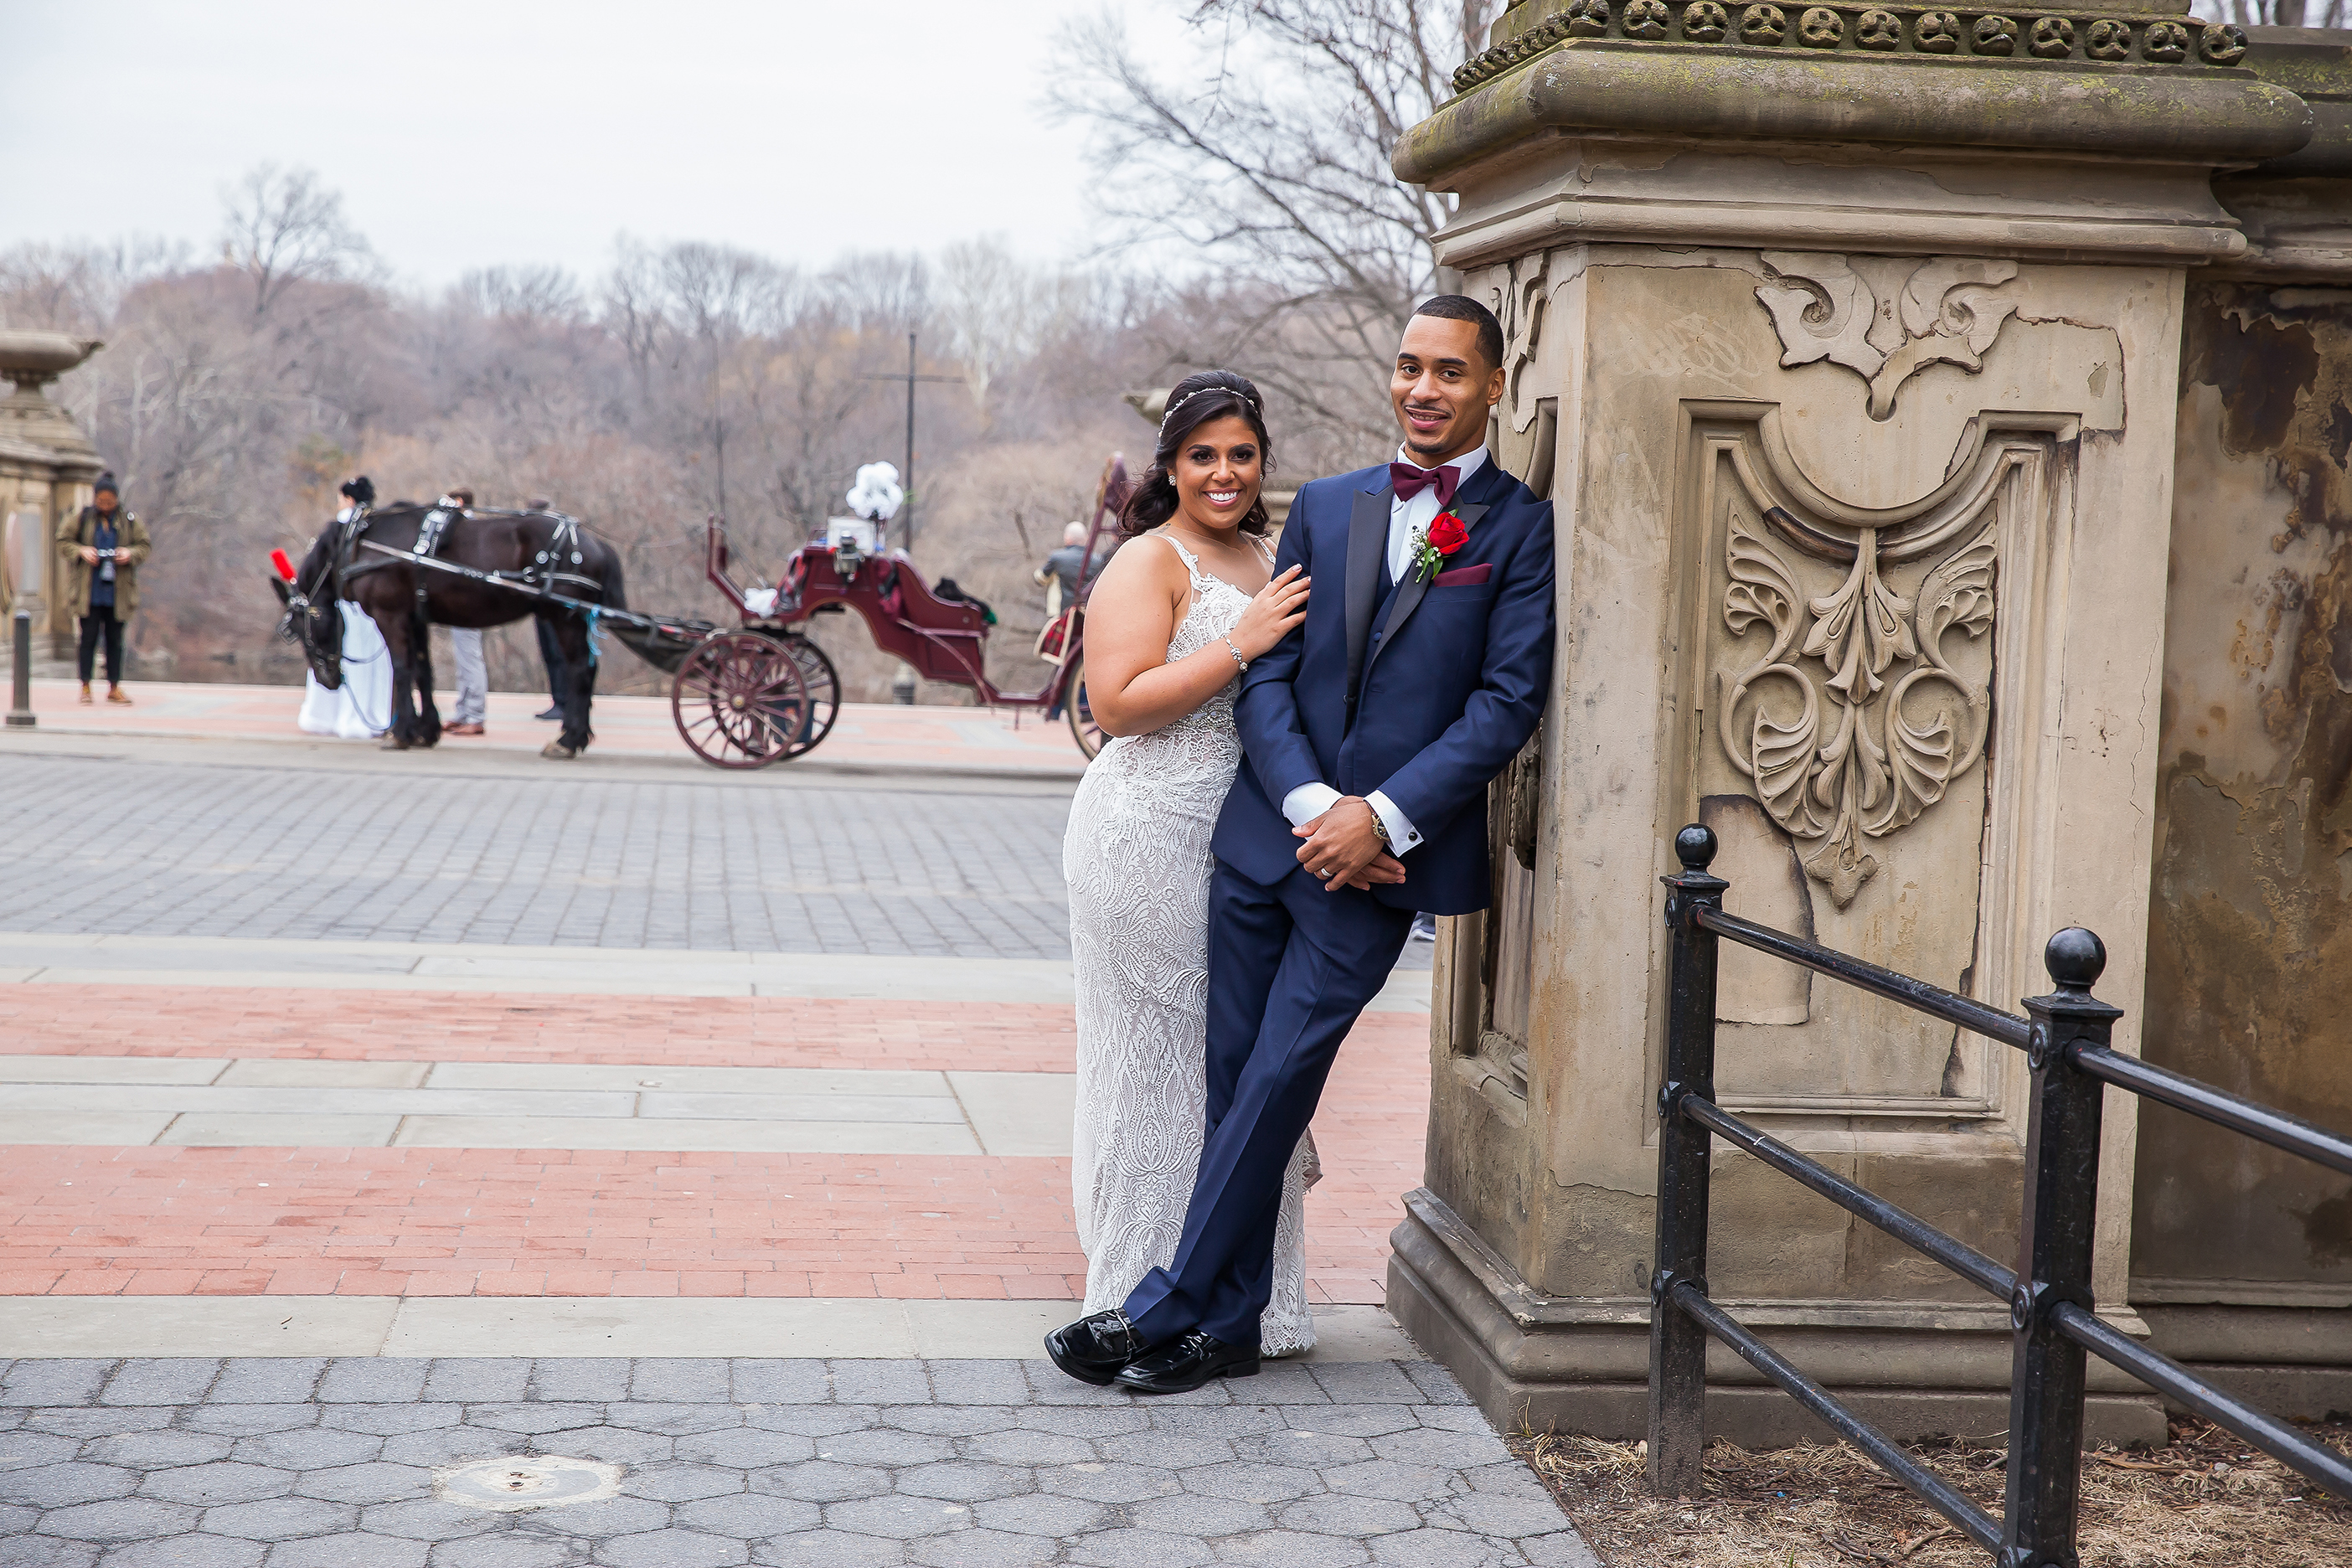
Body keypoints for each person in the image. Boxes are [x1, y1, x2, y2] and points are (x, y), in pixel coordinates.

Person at [1048, 296, 1556, 1395]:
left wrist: (1379, 817)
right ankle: (1229, 1328)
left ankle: (1163, 1304)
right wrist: (1313, 803)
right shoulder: (1326, 507)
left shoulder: (1519, 528)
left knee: (1280, 1075)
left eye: (1450, 372)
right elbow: (1267, 673)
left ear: (1493, 386)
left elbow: (1507, 702)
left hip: (1380, 866)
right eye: (1410, 367)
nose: (1423, 388)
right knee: (1233, 1082)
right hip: (1257, 843)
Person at [1058, 371, 1320, 1359]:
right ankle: (1138, 1293)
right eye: (1202, 455)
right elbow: (1117, 706)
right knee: (1163, 1066)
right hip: (1148, 834)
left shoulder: (1272, 556)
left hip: (1248, 840)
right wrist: (1240, 645)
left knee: (1242, 1063)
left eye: (1241, 454)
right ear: (1170, 465)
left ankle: (1236, 1300)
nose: (1224, 473)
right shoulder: (1147, 560)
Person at [297, 477, 394, 740]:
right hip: (377, 610)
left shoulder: (339, 527)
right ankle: (376, 717)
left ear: (349, 500)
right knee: (376, 666)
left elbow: (310, 574)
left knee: (342, 658)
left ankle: (333, 718)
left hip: (345, 610)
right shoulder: (381, 528)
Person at [56, 472, 151, 706]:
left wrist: (129, 554)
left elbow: (144, 545)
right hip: (89, 590)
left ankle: (114, 687)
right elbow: (63, 540)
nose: (106, 506)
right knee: (87, 638)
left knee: (115, 641)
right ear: (95, 499)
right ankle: (85, 686)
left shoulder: (129, 520)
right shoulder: (83, 518)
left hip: (118, 592)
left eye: (110, 501)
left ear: (117, 499)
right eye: (101, 501)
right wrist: (81, 551)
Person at [440, 488, 488, 736]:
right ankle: (463, 711)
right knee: (463, 660)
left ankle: (476, 716)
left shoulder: (466, 528)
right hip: (458, 601)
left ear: (459, 502)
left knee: (470, 658)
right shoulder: (460, 527)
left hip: (469, 601)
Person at [525, 497, 570, 721]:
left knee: (558, 652)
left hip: (557, 602)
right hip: (543, 601)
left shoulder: (558, 536)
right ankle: (558, 699)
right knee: (550, 653)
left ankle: (564, 701)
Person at [1034, 521, 1099, 619]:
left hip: (1061, 614)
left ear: (1067, 538)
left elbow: (1040, 579)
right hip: (1087, 614)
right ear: (1086, 538)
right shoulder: (1097, 560)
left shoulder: (1057, 558)